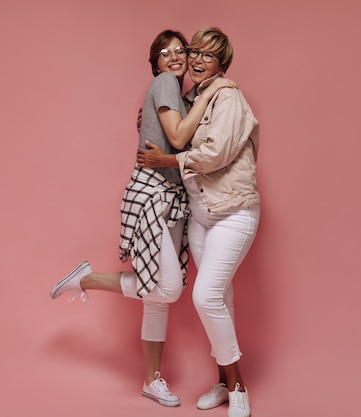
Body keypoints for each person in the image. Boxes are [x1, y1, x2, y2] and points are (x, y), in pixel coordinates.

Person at [48, 29, 236, 408]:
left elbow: (181, 137)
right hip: (153, 194)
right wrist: (210, 93)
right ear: (156, 65)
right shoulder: (167, 83)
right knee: (167, 288)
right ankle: (86, 278)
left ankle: (152, 381)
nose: (173, 57)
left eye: (179, 50)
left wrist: (188, 104)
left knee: (157, 298)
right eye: (164, 53)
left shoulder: (181, 97)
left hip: (174, 199)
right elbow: (180, 140)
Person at [136, 27, 259, 417]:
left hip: (233, 211)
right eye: (194, 53)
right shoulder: (189, 98)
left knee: (206, 296)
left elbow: (215, 153)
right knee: (221, 297)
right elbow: (175, 134)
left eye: (208, 56)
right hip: (200, 212)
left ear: (222, 63)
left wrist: (169, 160)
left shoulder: (229, 97)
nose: (197, 61)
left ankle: (238, 385)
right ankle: (223, 383)